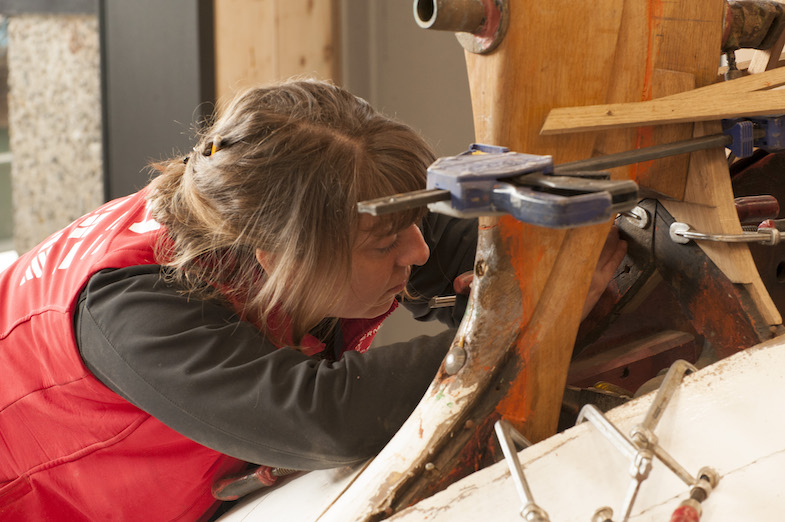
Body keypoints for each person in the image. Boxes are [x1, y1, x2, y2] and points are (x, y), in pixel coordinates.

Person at [0, 79, 624, 521]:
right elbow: (325, 415)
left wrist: (544, 258)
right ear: (280, 258)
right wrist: (529, 323)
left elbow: (436, 234)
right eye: (386, 246)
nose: (419, 252)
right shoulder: (136, 310)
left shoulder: (283, 207)